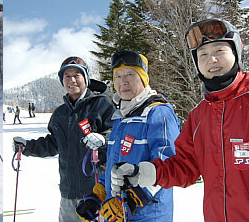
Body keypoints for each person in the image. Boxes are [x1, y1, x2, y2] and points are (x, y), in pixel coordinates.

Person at [110, 19, 249, 221]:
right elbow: (184, 166)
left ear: (236, 52)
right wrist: (144, 172)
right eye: (202, 54)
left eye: (219, 51)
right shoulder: (199, 117)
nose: (211, 59)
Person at [76, 51, 179, 222]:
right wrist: (98, 195)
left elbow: (169, 165)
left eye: (130, 74)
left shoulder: (158, 113)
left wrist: (133, 199)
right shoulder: (122, 118)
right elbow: (113, 166)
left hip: (149, 216)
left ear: (143, 78)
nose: (123, 81)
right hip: (118, 214)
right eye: (118, 76)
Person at [12, 56, 115, 222]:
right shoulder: (60, 113)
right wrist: (26, 147)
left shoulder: (101, 105)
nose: (72, 80)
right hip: (69, 192)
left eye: (77, 75)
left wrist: (103, 139)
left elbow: (117, 136)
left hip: (96, 193)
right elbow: (53, 144)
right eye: (67, 76)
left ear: (86, 78)